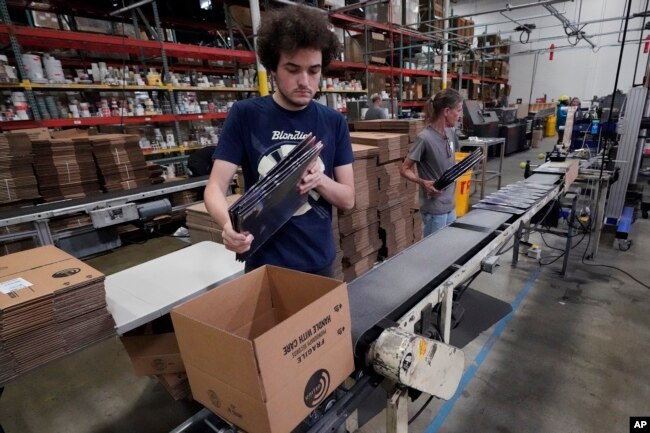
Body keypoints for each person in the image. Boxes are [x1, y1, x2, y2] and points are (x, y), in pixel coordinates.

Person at [204, 4, 355, 277]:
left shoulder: (334, 122)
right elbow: (215, 186)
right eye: (293, 69)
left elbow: (348, 199)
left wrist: (319, 179)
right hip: (264, 263)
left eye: (314, 71)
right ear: (273, 67)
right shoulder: (245, 115)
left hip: (319, 263)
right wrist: (228, 226)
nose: (305, 81)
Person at [399, 89, 463, 236]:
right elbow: (404, 169)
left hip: (451, 206)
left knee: (449, 251)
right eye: (458, 111)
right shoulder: (425, 138)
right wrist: (423, 182)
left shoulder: (451, 133)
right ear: (447, 111)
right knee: (433, 255)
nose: (459, 116)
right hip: (435, 211)